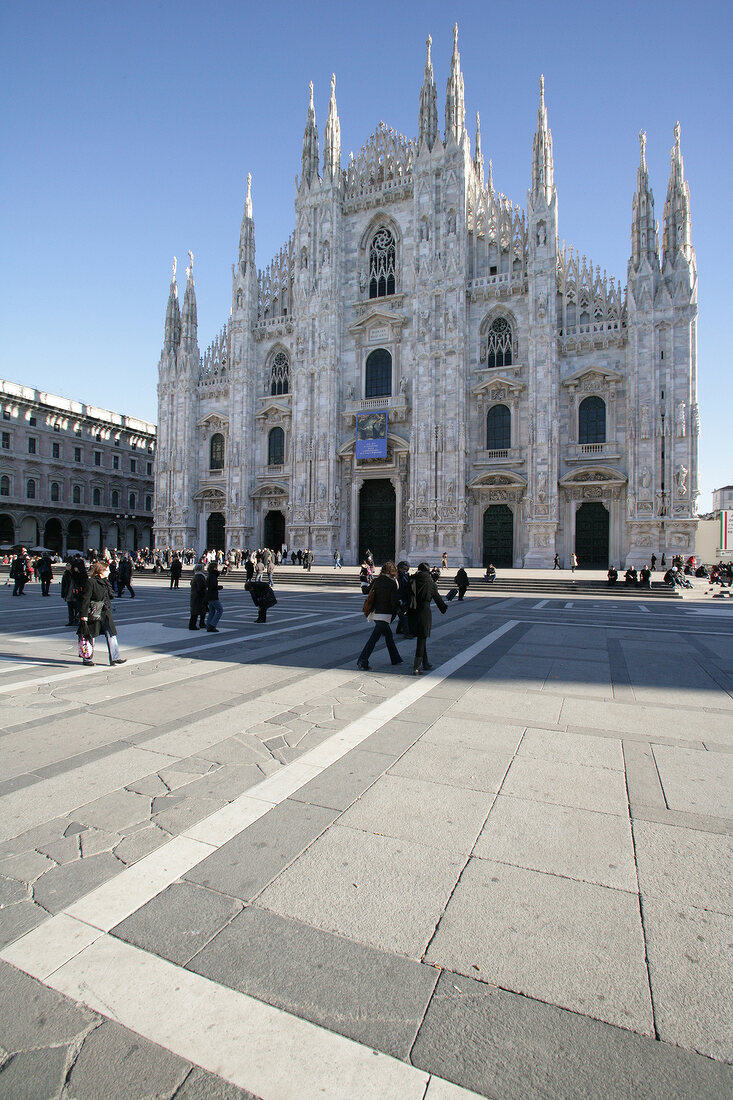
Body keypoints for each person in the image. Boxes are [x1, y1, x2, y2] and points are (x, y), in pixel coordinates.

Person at [79, 560, 126, 667]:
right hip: (94, 612)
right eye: (107, 570)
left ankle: (115, 657)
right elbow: (85, 599)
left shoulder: (105, 582)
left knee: (111, 634)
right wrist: (83, 615)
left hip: (105, 613)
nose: (109, 572)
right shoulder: (91, 582)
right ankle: (87, 658)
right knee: (90, 635)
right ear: (101, 571)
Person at [356, 561, 402, 671]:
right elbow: (393, 601)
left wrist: (363, 582)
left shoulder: (376, 581)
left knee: (389, 636)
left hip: (375, 613)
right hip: (385, 615)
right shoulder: (392, 583)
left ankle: (395, 658)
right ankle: (362, 660)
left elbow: (365, 591)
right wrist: (399, 607)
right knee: (373, 639)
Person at [408, 562, 447, 676]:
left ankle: (425, 663)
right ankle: (416, 667)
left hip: (412, 612)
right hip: (424, 613)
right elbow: (438, 599)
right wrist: (443, 608)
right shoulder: (430, 583)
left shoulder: (412, 580)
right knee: (422, 639)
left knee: (421, 637)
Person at [394, 560, 414, 638]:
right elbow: (398, 588)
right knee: (402, 616)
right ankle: (406, 633)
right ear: (399, 568)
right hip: (398, 598)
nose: (404, 570)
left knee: (397, 615)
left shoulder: (405, 576)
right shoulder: (396, 576)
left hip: (403, 598)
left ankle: (398, 630)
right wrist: (399, 598)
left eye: (406, 569)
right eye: (403, 569)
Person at [205, 561, 223, 631]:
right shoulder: (213, 576)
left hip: (209, 595)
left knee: (212, 611)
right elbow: (213, 586)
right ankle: (212, 625)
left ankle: (208, 625)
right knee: (220, 610)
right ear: (214, 568)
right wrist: (219, 587)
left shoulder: (210, 575)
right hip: (213, 595)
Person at [189, 563, 207, 629]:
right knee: (197, 611)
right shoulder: (200, 576)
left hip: (195, 596)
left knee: (197, 611)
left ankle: (198, 624)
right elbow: (201, 587)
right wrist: (204, 594)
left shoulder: (195, 575)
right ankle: (193, 625)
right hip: (198, 596)